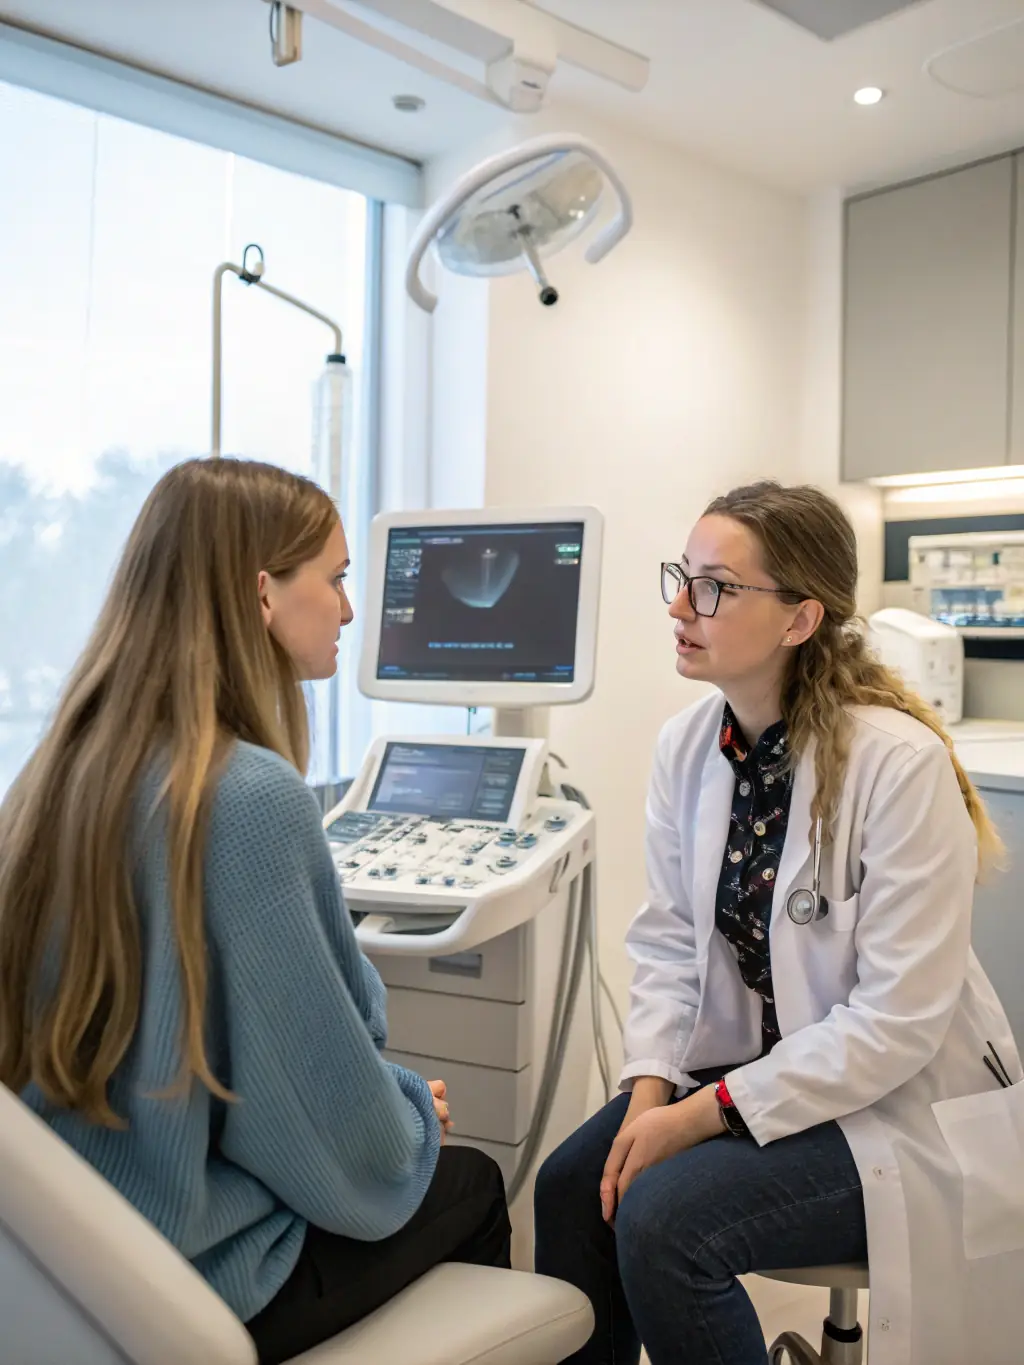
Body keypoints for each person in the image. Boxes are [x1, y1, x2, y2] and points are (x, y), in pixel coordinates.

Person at [0, 457, 511, 1365]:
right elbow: (335, 1143)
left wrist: (378, 1100)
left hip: (60, 1268)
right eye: (337, 579)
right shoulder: (248, 797)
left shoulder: (55, 776)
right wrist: (407, 1112)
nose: (348, 611)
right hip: (194, 1268)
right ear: (262, 593)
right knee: (471, 1181)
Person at [534, 481, 1023, 1365]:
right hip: (756, 1068)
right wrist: (649, 1094)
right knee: (575, 1187)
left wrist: (701, 1115)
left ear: (800, 619)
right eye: (683, 577)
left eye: (715, 587)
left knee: (666, 1221)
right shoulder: (691, 746)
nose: (681, 607)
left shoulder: (898, 766)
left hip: (893, 1106)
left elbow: (896, 1024)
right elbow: (669, 942)